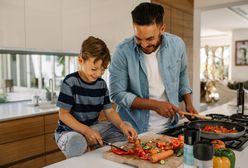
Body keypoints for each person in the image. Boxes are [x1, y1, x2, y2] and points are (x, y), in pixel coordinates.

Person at [109, 2, 198, 134]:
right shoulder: (122, 52)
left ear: (162, 29)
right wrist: (155, 105)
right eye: (138, 38)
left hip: (170, 127)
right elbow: (117, 94)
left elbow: (182, 73)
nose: (144, 44)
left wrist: (188, 103)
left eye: (150, 38)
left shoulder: (177, 45)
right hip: (133, 130)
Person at [54, 36, 137, 158]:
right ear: (81, 60)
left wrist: (122, 125)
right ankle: (87, 145)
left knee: (126, 128)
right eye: (94, 69)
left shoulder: (101, 84)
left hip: (92, 128)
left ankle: (91, 144)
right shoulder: (70, 82)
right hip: (69, 131)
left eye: (103, 70)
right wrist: (86, 131)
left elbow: (109, 111)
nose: (98, 74)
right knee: (76, 142)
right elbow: (63, 114)